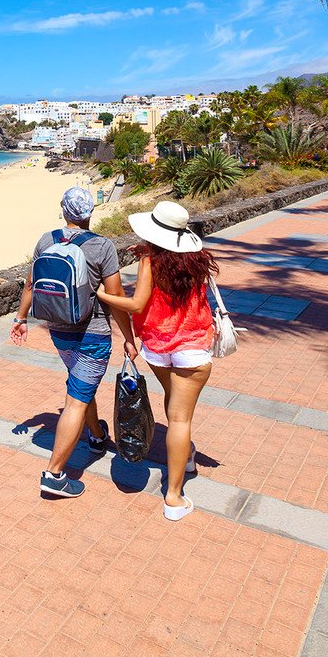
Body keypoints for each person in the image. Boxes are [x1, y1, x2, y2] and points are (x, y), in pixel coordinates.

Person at [96, 200, 219, 521]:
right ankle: (174, 497)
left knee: (172, 407)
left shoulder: (151, 261)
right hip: (191, 347)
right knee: (180, 419)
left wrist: (102, 294)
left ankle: (186, 456)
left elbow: (136, 304)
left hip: (157, 347)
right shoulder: (196, 261)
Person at [10, 186, 133, 499]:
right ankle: (54, 474)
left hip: (59, 329)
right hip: (93, 333)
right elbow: (117, 298)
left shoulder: (46, 240)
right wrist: (130, 339)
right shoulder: (102, 247)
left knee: (80, 387)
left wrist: (21, 320)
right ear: (90, 213)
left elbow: (30, 284)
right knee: (76, 398)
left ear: (63, 210)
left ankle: (95, 435)